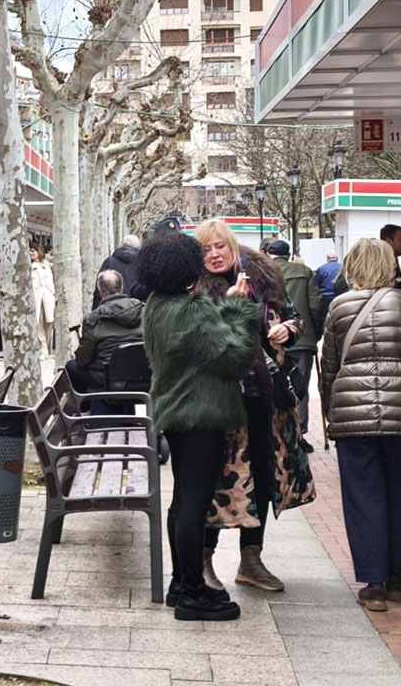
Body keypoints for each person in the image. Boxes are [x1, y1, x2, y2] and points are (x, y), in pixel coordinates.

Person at [320, 239, 401, 612]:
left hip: (352, 416)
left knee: (363, 498)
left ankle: (373, 584)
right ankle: (394, 576)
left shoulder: (338, 306)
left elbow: (329, 366)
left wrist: (332, 413)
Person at [139, 231, 261, 622]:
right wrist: (239, 310)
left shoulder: (157, 304)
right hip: (200, 412)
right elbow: (235, 357)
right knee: (194, 503)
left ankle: (181, 582)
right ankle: (192, 592)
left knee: (183, 501)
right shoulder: (190, 311)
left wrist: (222, 312)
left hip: (176, 410)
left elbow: (208, 346)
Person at [195, 219, 314, 593]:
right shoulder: (196, 289)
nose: (214, 255)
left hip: (265, 396)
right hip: (220, 398)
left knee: (263, 473)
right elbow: (200, 342)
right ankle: (204, 558)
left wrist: (287, 330)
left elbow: (295, 319)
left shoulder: (264, 279)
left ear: (233, 247)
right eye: (206, 249)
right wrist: (229, 306)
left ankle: (251, 558)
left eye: (220, 247)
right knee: (219, 478)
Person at [267, 239, 324, 444]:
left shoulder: (265, 272)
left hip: (273, 341)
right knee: (301, 386)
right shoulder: (305, 272)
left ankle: (282, 431)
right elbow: (316, 304)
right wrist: (314, 334)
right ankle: (301, 431)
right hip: (302, 339)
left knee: (277, 385)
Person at [66, 270, 144, 393]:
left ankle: (84, 406)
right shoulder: (144, 310)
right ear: (121, 288)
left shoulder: (94, 318)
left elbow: (83, 360)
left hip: (107, 378)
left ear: (101, 292)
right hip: (142, 375)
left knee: (71, 366)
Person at [92, 234, 142, 308]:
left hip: (110, 310)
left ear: (123, 244)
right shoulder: (143, 265)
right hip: (136, 311)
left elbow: (99, 289)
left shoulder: (110, 262)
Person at [30, 245, 55, 357]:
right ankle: (43, 347)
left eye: (33, 250)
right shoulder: (28, 267)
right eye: (30, 251)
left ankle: (48, 347)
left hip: (48, 297)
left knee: (49, 322)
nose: (31, 252)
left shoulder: (48, 265)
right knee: (38, 323)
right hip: (36, 297)